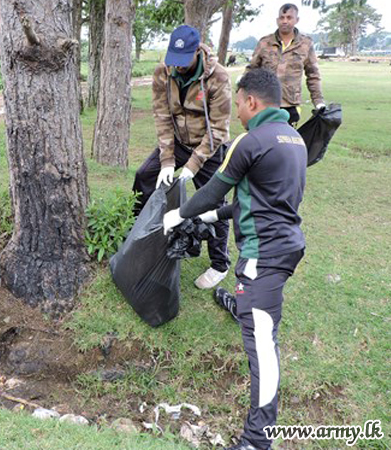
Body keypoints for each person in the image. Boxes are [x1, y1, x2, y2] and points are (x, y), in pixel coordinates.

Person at [163, 68, 307, 450]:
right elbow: (261, 201)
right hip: (287, 244)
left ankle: (258, 441)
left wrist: (181, 214)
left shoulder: (250, 140)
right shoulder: (293, 139)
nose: (238, 112)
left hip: (264, 255)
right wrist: (213, 217)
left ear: (252, 101)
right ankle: (244, 306)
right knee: (256, 315)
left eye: (240, 103)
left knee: (262, 344)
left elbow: (212, 190)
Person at [132, 25, 233, 289]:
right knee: (144, 175)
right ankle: (139, 232)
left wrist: (193, 165)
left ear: (197, 51)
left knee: (214, 203)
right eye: (172, 60)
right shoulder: (162, 72)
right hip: (177, 142)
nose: (176, 66)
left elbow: (219, 129)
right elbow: (162, 118)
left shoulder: (218, 77)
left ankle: (219, 264)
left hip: (208, 148)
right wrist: (167, 160)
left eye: (182, 60)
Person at [246, 3, 325, 126]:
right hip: (265, 103)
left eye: (289, 18)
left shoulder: (306, 44)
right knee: (261, 141)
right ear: (277, 20)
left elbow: (313, 75)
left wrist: (318, 101)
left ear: (296, 20)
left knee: (285, 142)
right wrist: (245, 95)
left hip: (290, 105)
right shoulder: (265, 43)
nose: (285, 21)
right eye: (282, 18)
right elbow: (251, 71)